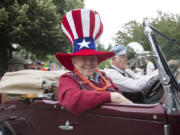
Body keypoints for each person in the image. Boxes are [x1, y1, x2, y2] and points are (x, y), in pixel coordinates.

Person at [55, 9, 132, 115]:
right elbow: (71, 100)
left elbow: (119, 98)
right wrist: (110, 96)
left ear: (97, 60)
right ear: (73, 61)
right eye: (83, 58)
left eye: (92, 58)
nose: (89, 63)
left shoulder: (105, 77)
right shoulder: (68, 79)